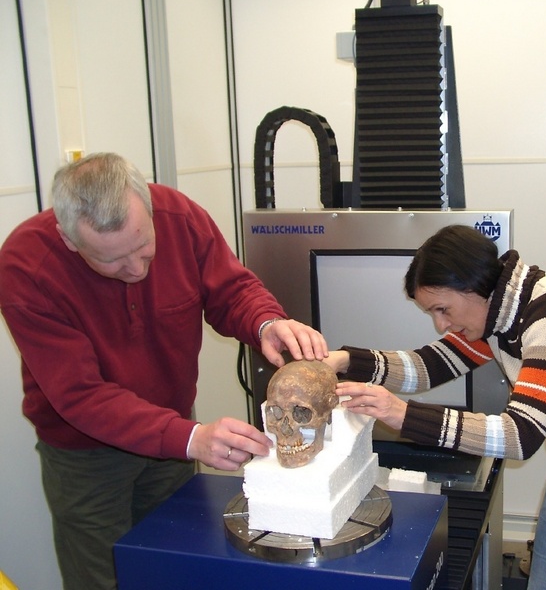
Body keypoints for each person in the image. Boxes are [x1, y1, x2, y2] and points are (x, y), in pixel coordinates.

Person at [0, 152, 328, 590]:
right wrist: (190, 437)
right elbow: (80, 394)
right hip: (85, 458)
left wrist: (266, 322)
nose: (135, 270)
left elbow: (230, 291)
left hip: (170, 438)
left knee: (174, 566)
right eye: (111, 261)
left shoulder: (180, 216)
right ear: (68, 239)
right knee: (101, 578)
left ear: (150, 210)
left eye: (143, 249)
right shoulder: (25, 266)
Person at [323, 224, 546, 590]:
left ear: (473, 286)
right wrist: (344, 360)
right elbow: (427, 367)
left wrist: (404, 416)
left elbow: (520, 437)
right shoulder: (500, 314)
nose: (441, 325)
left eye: (443, 309)